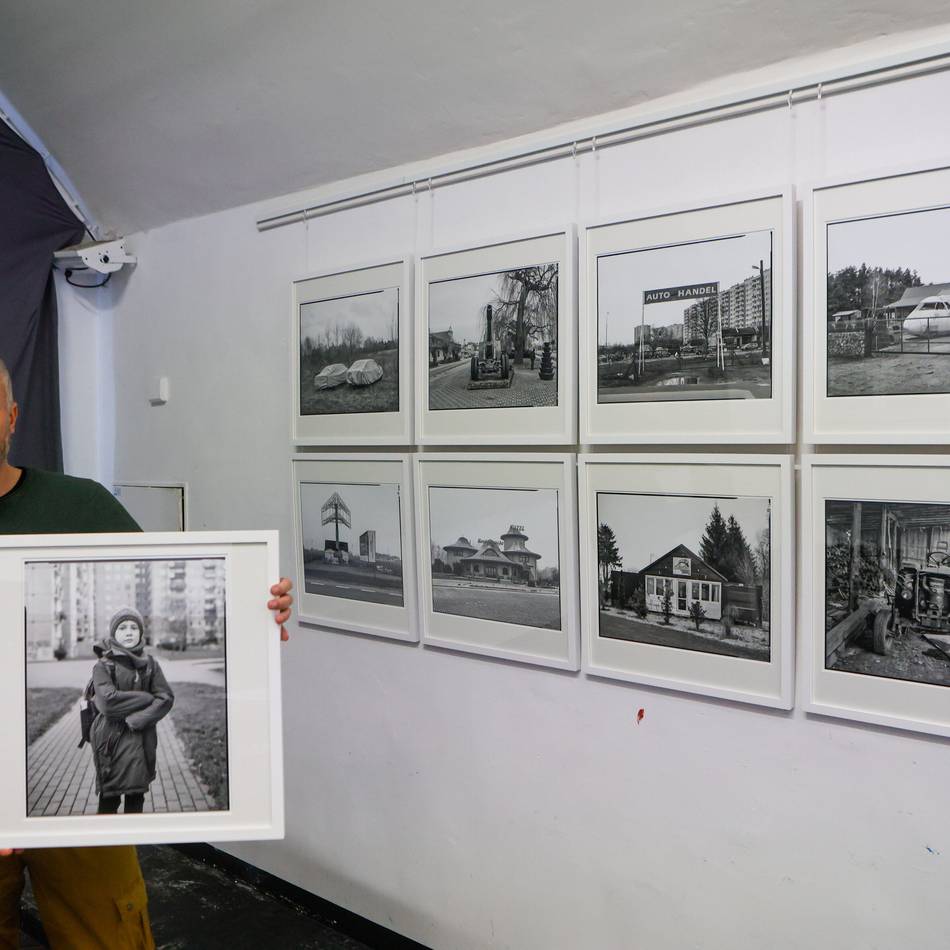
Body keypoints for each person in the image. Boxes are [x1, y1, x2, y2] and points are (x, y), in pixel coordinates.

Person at [0, 357, 293, 949]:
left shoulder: (78, 507)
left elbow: (164, 583)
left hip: (71, 809)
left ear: (10, 417)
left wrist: (258, 610)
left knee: (108, 931)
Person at [89, 608, 175, 816]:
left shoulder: (150, 665)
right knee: (109, 799)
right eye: (122, 627)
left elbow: (165, 698)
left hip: (142, 736)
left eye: (134, 627)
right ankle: (105, 845)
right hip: (110, 739)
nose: (129, 632)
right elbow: (108, 703)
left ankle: (131, 843)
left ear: (141, 633)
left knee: (136, 797)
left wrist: (138, 718)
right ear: (114, 633)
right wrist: (146, 698)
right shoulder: (103, 666)